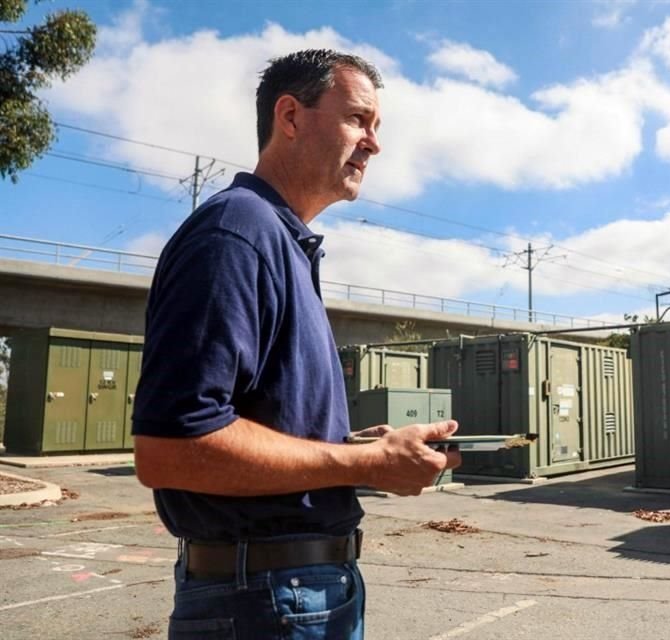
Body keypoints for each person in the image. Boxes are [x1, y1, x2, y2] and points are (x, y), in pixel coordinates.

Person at [131, 49, 461, 640]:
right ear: (290, 116)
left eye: (377, 127)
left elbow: (255, 426)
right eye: (359, 119)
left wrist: (358, 446)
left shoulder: (282, 243)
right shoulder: (237, 234)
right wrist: (366, 464)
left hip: (294, 592)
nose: (374, 143)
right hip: (266, 601)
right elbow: (171, 448)